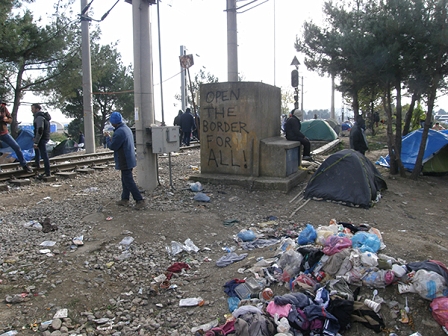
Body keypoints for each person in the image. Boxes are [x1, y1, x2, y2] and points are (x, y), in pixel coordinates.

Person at [107, 111, 145, 210]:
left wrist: (107, 138)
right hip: (129, 158)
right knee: (125, 179)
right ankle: (125, 199)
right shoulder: (126, 129)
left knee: (128, 180)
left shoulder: (119, 132)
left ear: (114, 122)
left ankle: (139, 200)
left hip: (124, 159)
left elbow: (113, 146)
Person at [0, 100, 33, 173]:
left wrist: (6, 119)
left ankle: (24, 165)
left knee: (17, 147)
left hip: (4, 133)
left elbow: (10, 119)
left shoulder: (4, 108)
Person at [31, 103, 51, 177]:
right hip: (44, 136)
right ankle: (37, 163)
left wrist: (36, 141)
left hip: (42, 138)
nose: (31, 110)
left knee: (44, 155)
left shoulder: (39, 117)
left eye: (32, 109)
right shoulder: (43, 116)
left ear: (37, 109)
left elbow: (40, 130)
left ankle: (47, 172)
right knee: (38, 150)